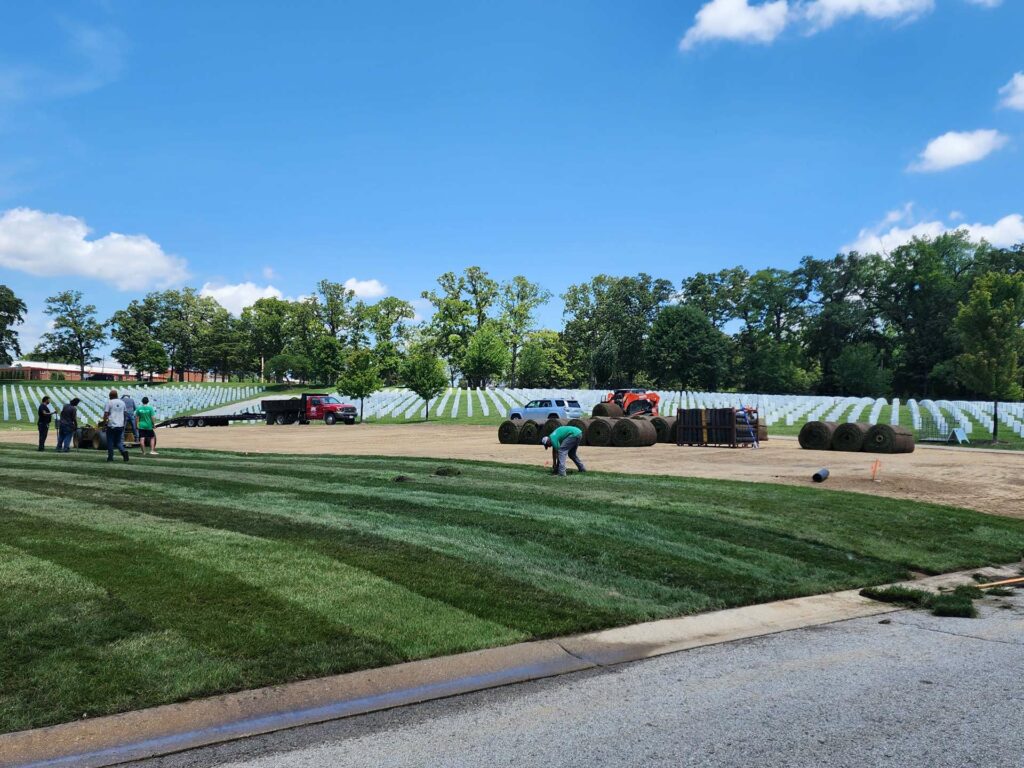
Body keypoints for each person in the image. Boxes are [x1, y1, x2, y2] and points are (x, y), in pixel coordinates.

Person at [103, 389, 130, 463]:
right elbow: (125, 414)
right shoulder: (122, 402)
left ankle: (110, 457)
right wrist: (124, 423)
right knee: (118, 442)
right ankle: (123, 451)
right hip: (120, 425)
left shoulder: (109, 402)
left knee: (110, 442)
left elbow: (106, 414)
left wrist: (104, 424)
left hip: (111, 425)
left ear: (110, 396)